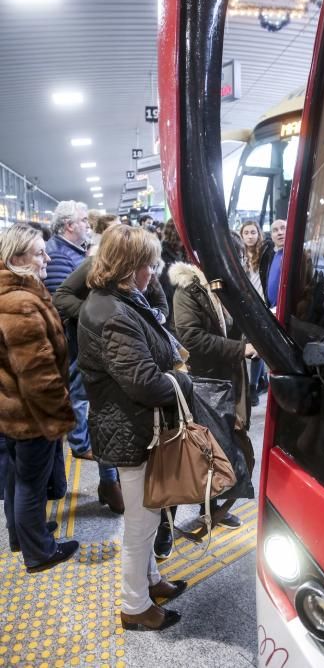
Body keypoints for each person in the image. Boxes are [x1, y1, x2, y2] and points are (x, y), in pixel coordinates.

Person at [77, 224, 188, 631]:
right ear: (130, 267)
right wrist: (184, 381)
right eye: (148, 263)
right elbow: (142, 382)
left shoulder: (120, 298)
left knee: (151, 513)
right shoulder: (110, 311)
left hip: (136, 426)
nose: (154, 271)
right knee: (142, 523)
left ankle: (151, 580)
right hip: (131, 428)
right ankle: (135, 605)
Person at [153, 254, 256, 558]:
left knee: (219, 451)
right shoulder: (189, 289)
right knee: (188, 454)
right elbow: (192, 337)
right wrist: (241, 349)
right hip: (200, 382)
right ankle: (164, 527)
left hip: (224, 380)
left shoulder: (224, 287)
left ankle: (210, 507)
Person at [0, 224, 79, 572]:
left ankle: (22, 535)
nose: (47, 257)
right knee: (32, 483)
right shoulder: (21, 304)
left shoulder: (12, 292)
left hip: (10, 409)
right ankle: (40, 552)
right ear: (17, 258)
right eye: (38, 253)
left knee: (16, 477)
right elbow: (38, 374)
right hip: (32, 414)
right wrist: (58, 416)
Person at [52, 212, 124, 513]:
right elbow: (61, 296)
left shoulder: (133, 269)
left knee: (115, 418)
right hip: (93, 353)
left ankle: (113, 480)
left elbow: (157, 301)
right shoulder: (93, 265)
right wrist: (93, 312)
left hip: (123, 354)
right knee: (102, 415)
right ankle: (110, 480)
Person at [240, 220, 269, 406]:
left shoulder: (266, 255)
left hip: (263, 307)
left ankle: (253, 386)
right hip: (244, 307)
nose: (250, 236)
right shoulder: (238, 255)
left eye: (253, 232)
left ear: (258, 234)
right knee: (248, 347)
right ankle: (261, 378)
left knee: (258, 347)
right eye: (246, 233)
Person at [159, 218, 187, 330]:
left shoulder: (185, 251)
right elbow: (165, 283)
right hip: (169, 303)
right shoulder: (162, 252)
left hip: (182, 303)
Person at [265, 218, 287, 309]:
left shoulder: (294, 255)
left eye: (283, 228)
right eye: (275, 230)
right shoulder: (271, 255)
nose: (280, 233)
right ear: (271, 236)